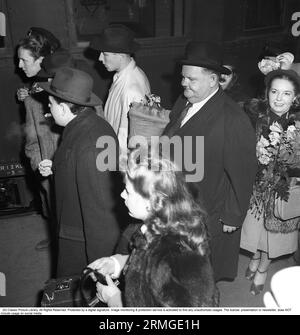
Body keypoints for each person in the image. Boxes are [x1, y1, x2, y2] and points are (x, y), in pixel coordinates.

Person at [162, 41, 257, 282]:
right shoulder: (184, 101)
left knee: (198, 274)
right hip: (176, 200)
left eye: (191, 79)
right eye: (183, 78)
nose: (184, 84)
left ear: (213, 80)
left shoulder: (232, 119)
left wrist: (233, 215)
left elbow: (243, 172)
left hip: (206, 208)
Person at [88, 149, 218, 307]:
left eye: (128, 191)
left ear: (152, 202)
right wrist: (116, 264)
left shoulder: (169, 255)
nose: (122, 195)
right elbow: (147, 267)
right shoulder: (164, 227)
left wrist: (114, 299)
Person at [38, 67, 120, 277]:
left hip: (82, 243)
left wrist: (100, 269)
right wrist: (56, 167)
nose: (48, 110)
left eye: (50, 105)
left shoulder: (90, 145)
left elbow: (101, 216)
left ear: (64, 108)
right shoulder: (86, 124)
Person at [240, 69, 300, 295]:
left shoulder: (298, 123)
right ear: (267, 92)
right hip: (255, 184)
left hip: (283, 186)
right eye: (274, 91)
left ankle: (263, 267)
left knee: (274, 233)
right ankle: (254, 257)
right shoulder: (254, 117)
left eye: (286, 94)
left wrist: (288, 166)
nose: (279, 98)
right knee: (253, 228)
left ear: (294, 97)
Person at [16, 27, 62, 250]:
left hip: (65, 167)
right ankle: (55, 236)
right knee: (50, 205)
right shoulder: (33, 93)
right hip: (45, 166)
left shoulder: (65, 92)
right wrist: (37, 163)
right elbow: (31, 141)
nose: (19, 66)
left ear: (41, 60)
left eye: (24, 60)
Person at [90, 24, 151, 155]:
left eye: (105, 54)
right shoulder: (127, 74)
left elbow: (125, 136)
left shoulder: (131, 90)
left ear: (121, 55)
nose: (100, 58)